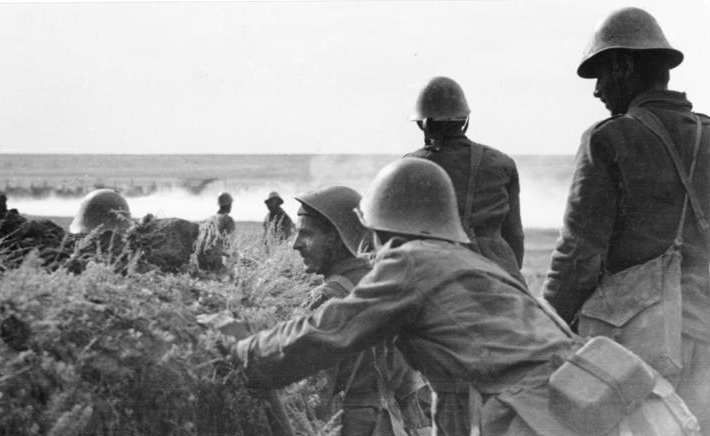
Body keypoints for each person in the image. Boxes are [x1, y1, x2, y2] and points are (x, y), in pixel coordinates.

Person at [221, 158, 698, 436]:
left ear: (383, 227)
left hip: (542, 415)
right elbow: (459, 382)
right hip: (603, 400)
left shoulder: (410, 263)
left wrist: (243, 350)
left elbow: (329, 330)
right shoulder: (473, 263)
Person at [542, 7, 709, 432]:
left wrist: (544, 329)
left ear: (623, 66)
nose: (597, 90)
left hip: (641, 351)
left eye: (600, 74)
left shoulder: (609, 138)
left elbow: (578, 257)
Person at [293, 185, 429, 436]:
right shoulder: (387, 287)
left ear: (333, 237)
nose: (295, 244)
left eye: (306, 233)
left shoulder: (325, 299)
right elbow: (410, 387)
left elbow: (310, 398)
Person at [406, 77, 525, 284]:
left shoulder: (412, 166)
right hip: (500, 272)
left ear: (424, 124)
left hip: (440, 273)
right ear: (464, 120)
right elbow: (514, 234)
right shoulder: (502, 162)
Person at [197, 192, 236, 270]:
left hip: (200, 260)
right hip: (215, 260)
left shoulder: (208, 219)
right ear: (229, 205)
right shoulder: (227, 219)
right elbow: (229, 242)